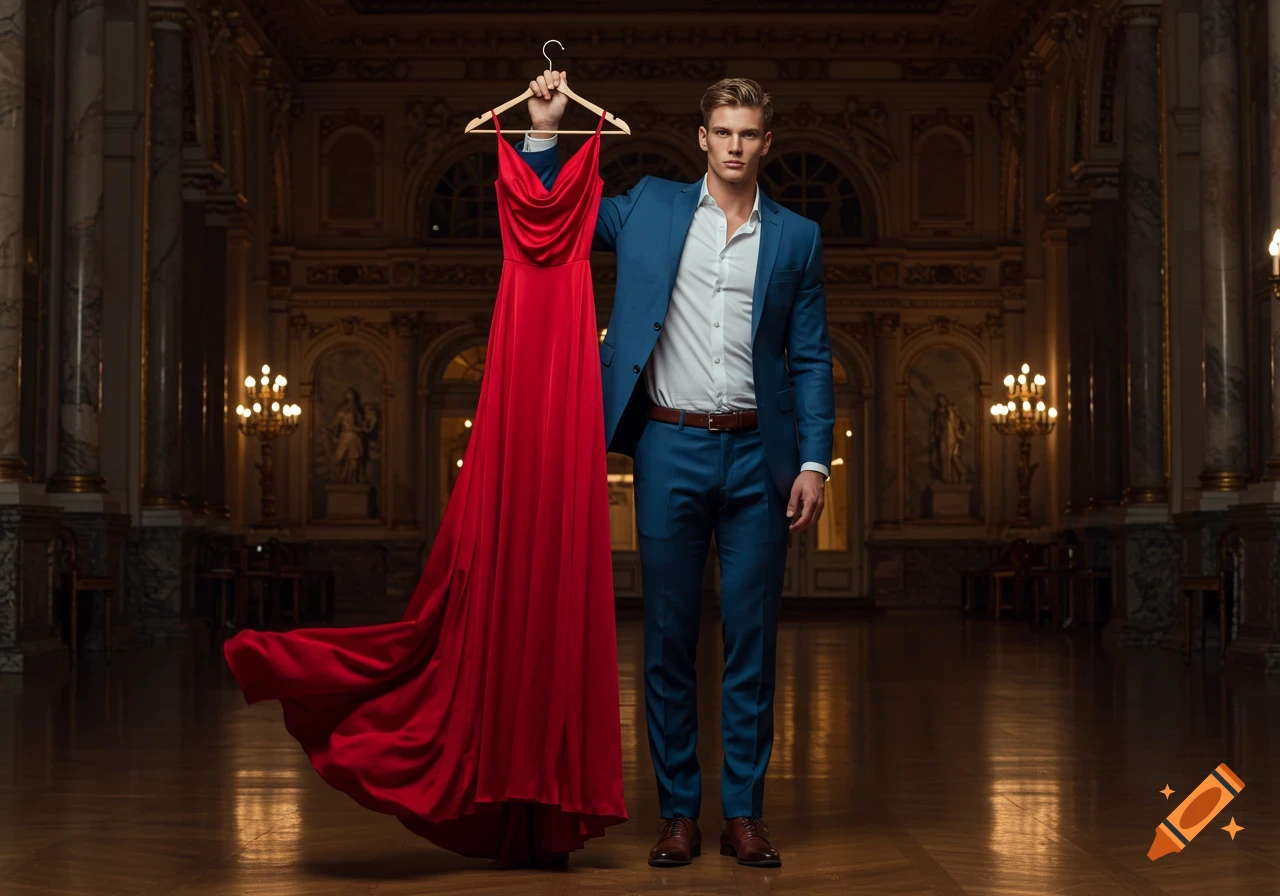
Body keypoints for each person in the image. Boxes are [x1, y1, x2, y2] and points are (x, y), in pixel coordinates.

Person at [518, 72, 835, 868]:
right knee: (666, 642)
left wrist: (814, 460)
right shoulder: (651, 206)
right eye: (722, 132)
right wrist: (545, 132)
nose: (734, 146)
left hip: (758, 454)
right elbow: (559, 218)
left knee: (751, 643)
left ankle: (745, 815)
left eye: (749, 134)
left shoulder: (796, 237)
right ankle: (678, 815)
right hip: (668, 447)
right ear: (703, 138)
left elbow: (811, 357)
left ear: (767, 142)